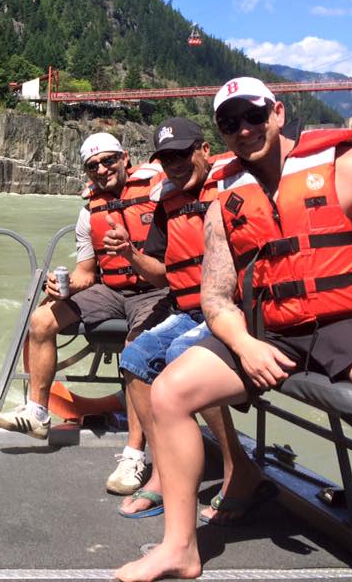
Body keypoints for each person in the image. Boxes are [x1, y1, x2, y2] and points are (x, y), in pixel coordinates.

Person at [114, 77, 352, 582]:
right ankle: (179, 548)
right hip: (271, 329)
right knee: (171, 391)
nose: (243, 128)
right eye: (229, 123)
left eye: (253, 115)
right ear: (221, 134)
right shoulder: (226, 200)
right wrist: (244, 344)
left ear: (278, 113)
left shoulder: (348, 166)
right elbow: (216, 297)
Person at [0, 131, 170, 495]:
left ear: (125, 158)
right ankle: (37, 413)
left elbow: (171, 269)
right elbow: (87, 273)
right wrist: (64, 286)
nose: (101, 170)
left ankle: (134, 455)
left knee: (136, 351)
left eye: (108, 161)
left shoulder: (160, 193)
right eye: (92, 166)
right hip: (112, 290)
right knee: (42, 320)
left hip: (157, 290)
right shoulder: (89, 212)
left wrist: (131, 253)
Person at [112, 117, 269, 519]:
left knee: (184, 354)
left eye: (182, 154)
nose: (176, 164)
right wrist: (130, 253)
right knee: (135, 357)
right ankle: (165, 472)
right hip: (188, 308)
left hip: (235, 310)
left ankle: (238, 468)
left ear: (204, 150)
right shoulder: (167, 203)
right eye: (167, 159)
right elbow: (162, 273)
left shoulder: (236, 184)